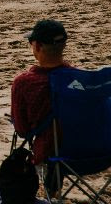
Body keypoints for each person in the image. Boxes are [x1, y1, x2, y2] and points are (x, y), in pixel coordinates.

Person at [11, 18, 73, 194]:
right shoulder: (79, 79)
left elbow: (22, 130)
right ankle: (53, 189)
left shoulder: (24, 83)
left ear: (37, 46)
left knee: (49, 139)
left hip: (51, 153)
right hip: (94, 153)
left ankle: (49, 191)